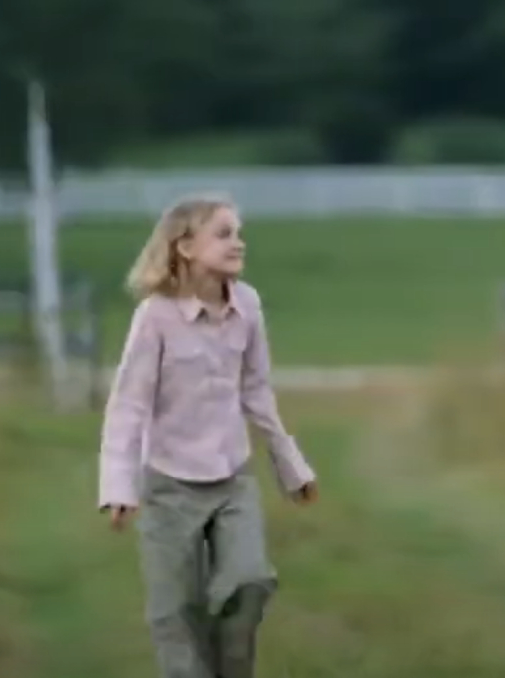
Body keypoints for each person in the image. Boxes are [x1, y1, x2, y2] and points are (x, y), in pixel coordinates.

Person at [98, 191, 318, 678]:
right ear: (185, 247)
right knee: (175, 611)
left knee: (251, 581)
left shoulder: (249, 306)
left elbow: (258, 393)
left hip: (231, 478)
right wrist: (119, 486)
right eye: (223, 234)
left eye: (239, 234)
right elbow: (129, 405)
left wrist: (292, 468)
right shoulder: (155, 316)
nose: (237, 243)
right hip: (169, 484)